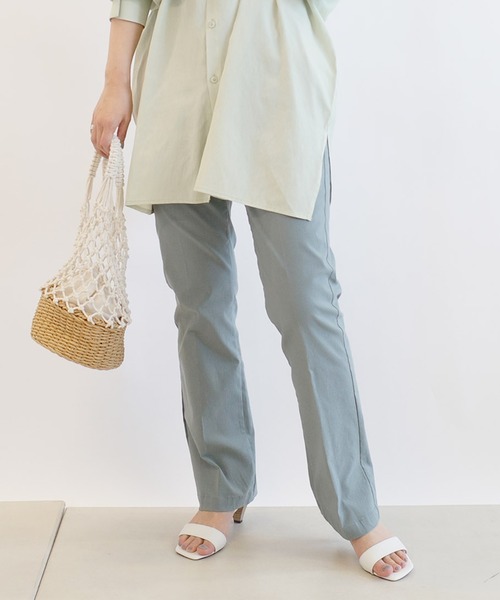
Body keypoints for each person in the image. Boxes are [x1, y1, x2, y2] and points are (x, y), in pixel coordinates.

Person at [90, 0, 413, 581]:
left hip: (276, 90)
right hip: (179, 90)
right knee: (199, 307)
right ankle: (222, 487)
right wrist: (116, 81)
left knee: (307, 305)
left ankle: (355, 507)